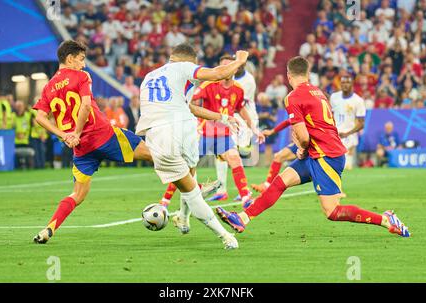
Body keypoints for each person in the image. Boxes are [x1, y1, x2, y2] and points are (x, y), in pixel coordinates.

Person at [216, 56, 410, 238]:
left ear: (288, 75)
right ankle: (242, 218)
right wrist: (304, 147)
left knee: (333, 211)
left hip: (326, 156)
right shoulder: (318, 93)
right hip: (317, 153)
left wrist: (301, 147)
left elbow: (304, 136)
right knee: (279, 182)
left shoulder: (293, 97)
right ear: (308, 74)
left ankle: (386, 220)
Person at [32, 40, 153, 244]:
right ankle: (192, 188)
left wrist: (65, 135)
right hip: (102, 135)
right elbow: (86, 106)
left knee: (77, 194)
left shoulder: (48, 87)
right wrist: (77, 132)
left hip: (81, 149)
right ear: (70, 59)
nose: (84, 65)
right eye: (81, 59)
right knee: (152, 155)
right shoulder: (81, 76)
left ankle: (48, 229)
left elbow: (40, 118)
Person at [136, 44, 250, 250]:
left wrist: (222, 117)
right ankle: (225, 235)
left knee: (190, 175)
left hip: (158, 134)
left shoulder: (150, 76)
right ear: (190, 61)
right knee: (191, 192)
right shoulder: (182, 68)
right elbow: (218, 73)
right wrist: (240, 61)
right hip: (179, 130)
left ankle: (183, 217)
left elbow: (186, 106)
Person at [194, 55, 265, 204]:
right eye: (222, 67)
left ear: (234, 68)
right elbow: (191, 99)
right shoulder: (209, 85)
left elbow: (241, 108)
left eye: (228, 66)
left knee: (234, 157)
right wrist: (194, 122)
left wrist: (254, 129)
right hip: (205, 132)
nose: (225, 69)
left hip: (223, 135)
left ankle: (245, 196)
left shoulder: (238, 89)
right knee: (188, 165)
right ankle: (165, 201)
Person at [330, 75, 366, 170]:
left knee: (346, 166)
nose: (345, 85)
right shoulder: (334, 97)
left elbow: (361, 123)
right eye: (343, 83)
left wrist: (348, 133)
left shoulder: (358, 101)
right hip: (335, 135)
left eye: (348, 82)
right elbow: (330, 115)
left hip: (349, 136)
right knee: (333, 166)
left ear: (352, 84)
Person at [13, 100, 34, 169]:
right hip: (15, 143)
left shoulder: (28, 116)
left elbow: (32, 127)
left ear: (24, 107)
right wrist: (16, 134)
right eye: (17, 106)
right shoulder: (12, 116)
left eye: (20, 106)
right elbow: (9, 128)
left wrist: (24, 135)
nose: (19, 108)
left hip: (27, 142)